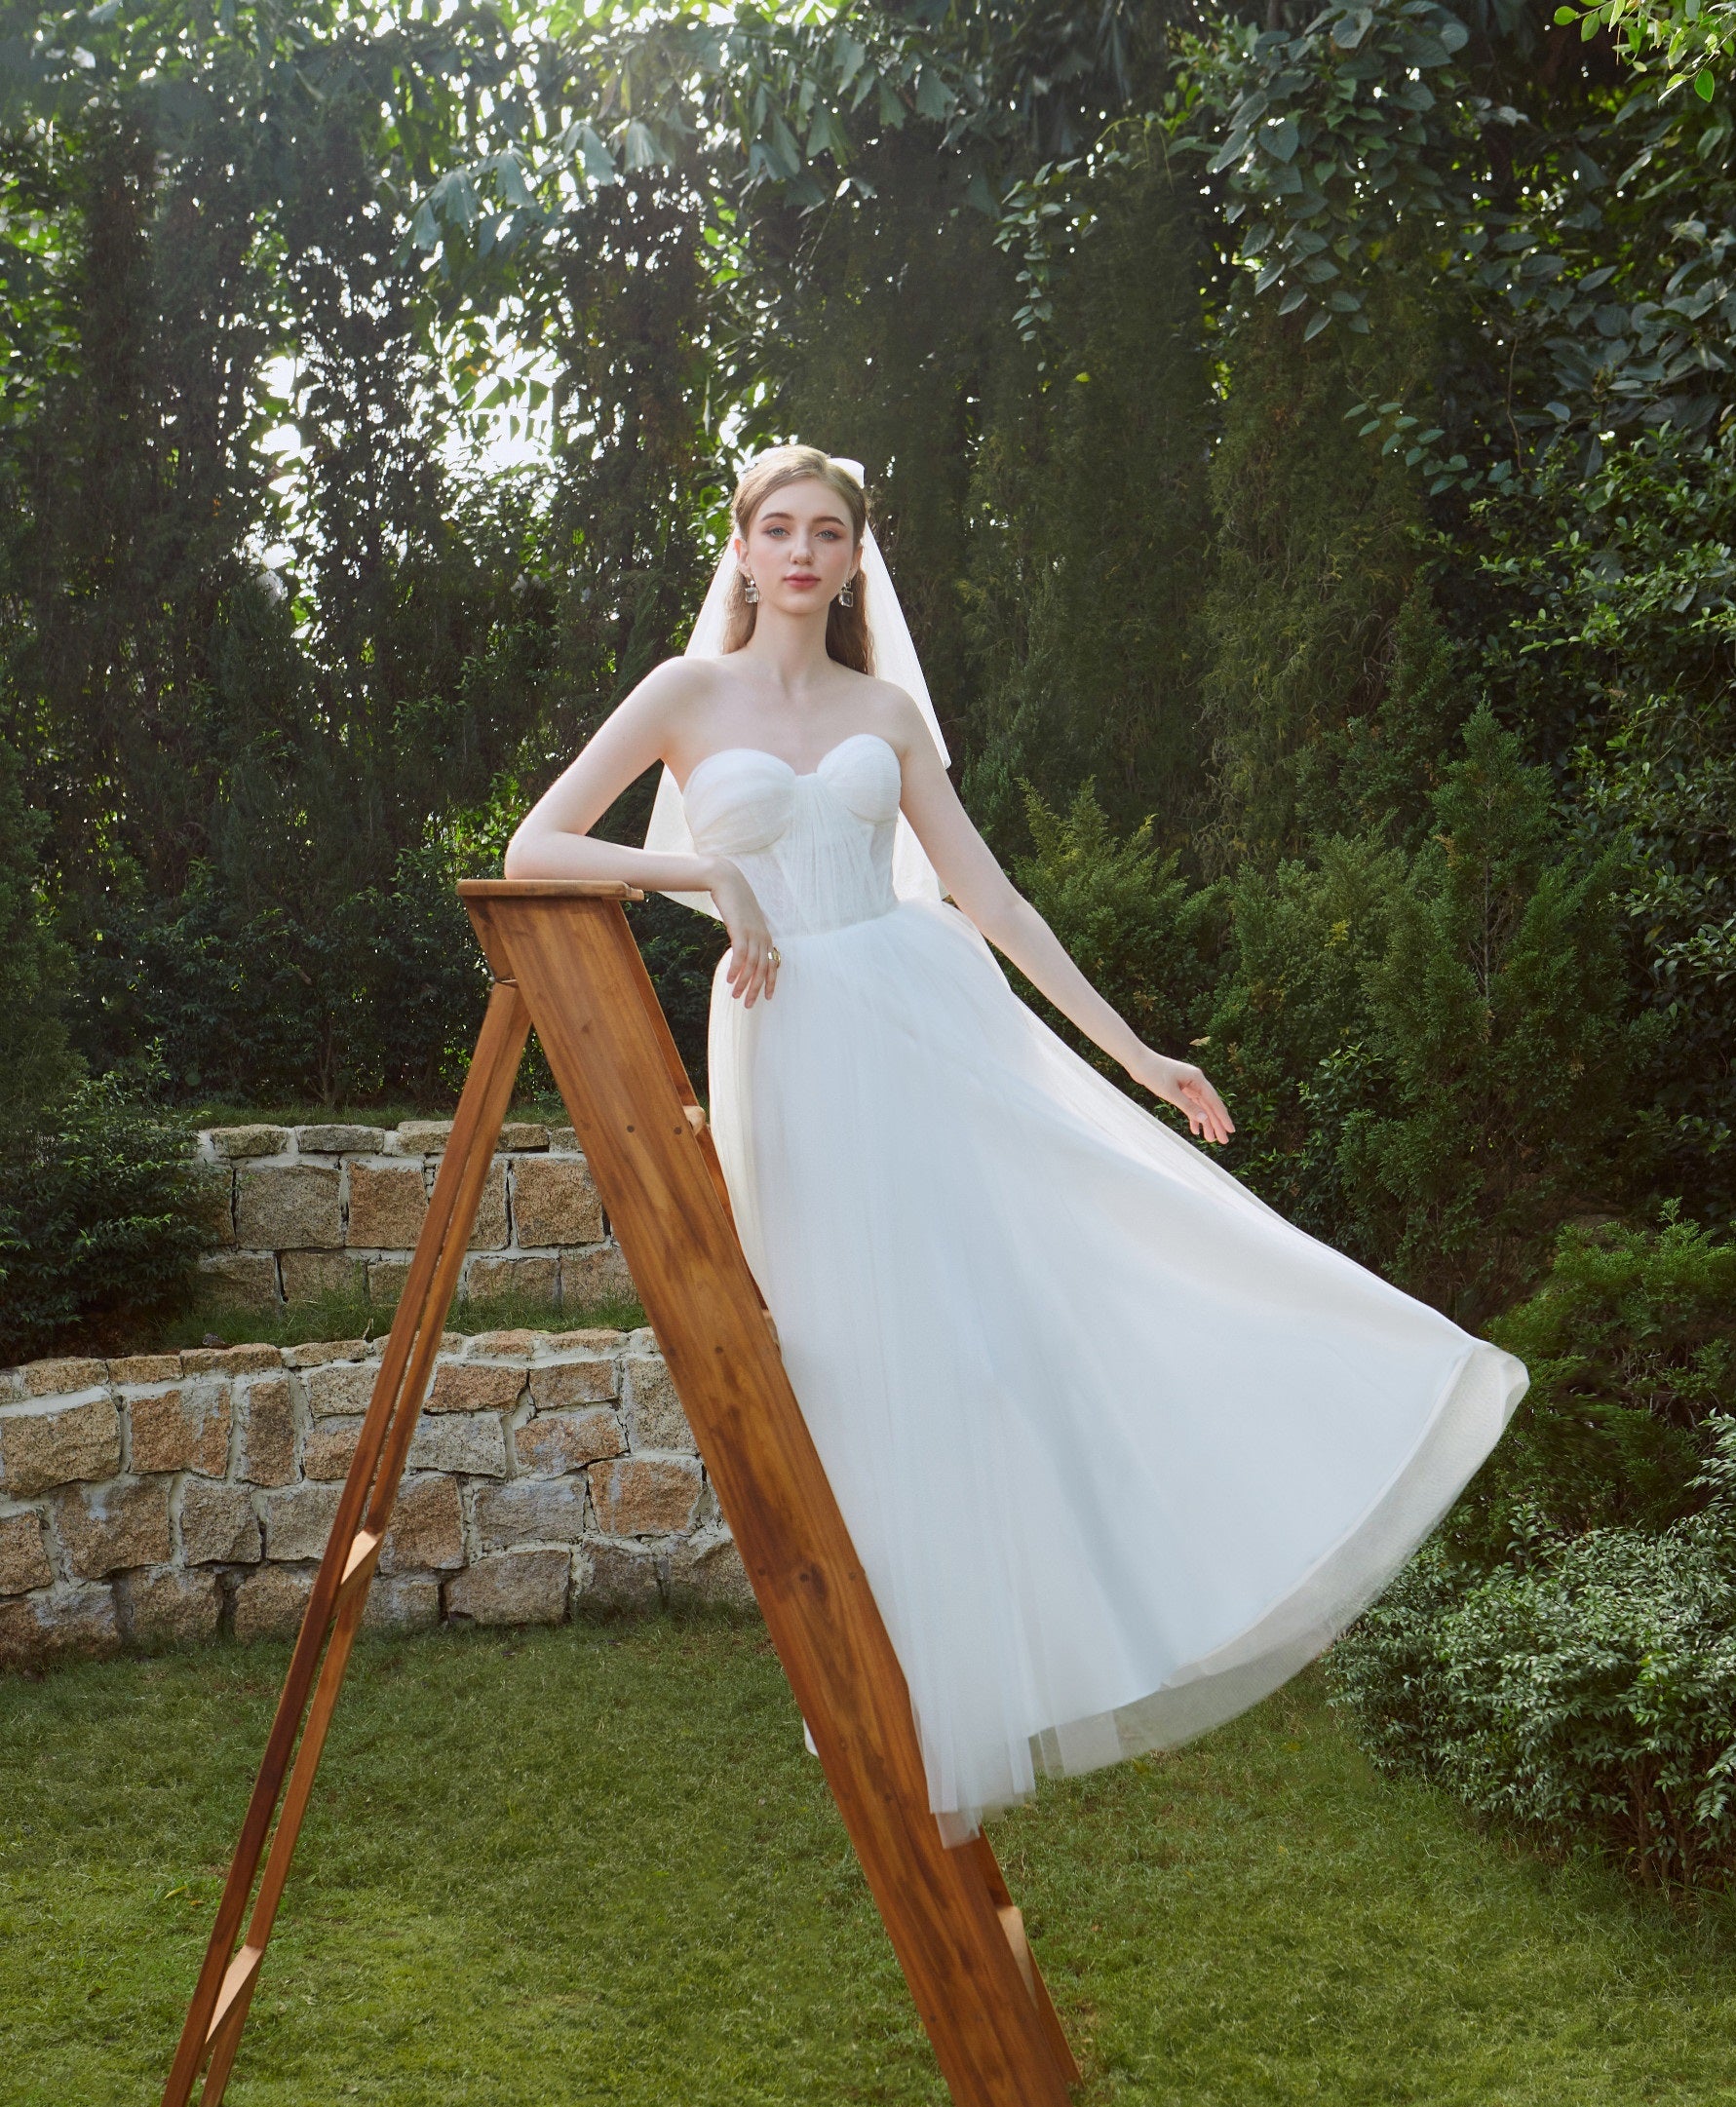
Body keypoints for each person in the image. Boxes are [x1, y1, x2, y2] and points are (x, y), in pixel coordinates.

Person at [504, 443, 1528, 1848]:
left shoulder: (884, 709)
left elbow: (988, 895)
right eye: (778, 530)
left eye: (828, 533)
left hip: (925, 1028)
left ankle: (1065, 1623)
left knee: (1015, 1324)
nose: (802, 553)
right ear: (740, 551)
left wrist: (1139, 1051)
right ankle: (890, 1691)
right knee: (848, 1357)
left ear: (858, 557)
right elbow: (539, 843)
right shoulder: (686, 696)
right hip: (793, 1045)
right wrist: (703, 867)